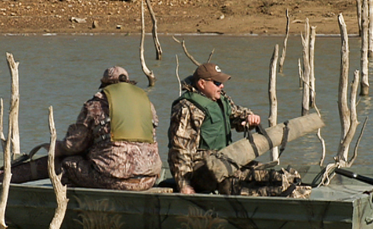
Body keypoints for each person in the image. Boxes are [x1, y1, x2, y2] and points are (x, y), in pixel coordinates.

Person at [4, 66, 162, 191]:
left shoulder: (96, 105)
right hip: (148, 179)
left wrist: (55, 147)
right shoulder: (148, 104)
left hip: (112, 179)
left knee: (66, 164)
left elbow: (73, 146)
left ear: (105, 85)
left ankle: (70, 205)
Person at [167, 63, 262, 195]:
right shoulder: (187, 108)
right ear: (201, 84)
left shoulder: (220, 100)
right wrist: (184, 185)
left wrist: (249, 118)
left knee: (262, 173)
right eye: (217, 83)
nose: (222, 86)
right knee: (253, 182)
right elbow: (179, 150)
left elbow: (237, 115)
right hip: (203, 170)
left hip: (225, 161)